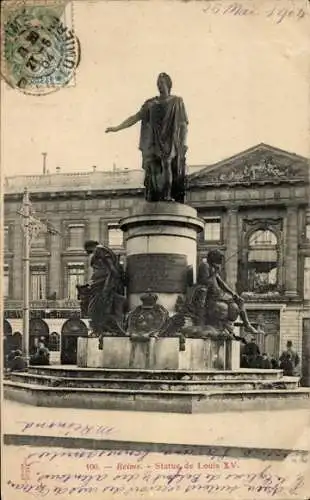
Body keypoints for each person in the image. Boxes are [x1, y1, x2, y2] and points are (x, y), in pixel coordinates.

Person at [106, 73, 188, 203]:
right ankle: (154, 196)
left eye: (162, 82)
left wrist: (183, 143)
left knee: (167, 164)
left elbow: (183, 123)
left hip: (170, 139)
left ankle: (167, 195)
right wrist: (117, 128)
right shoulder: (150, 103)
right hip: (153, 141)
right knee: (153, 170)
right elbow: (135, 117)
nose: (159, 85)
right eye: (158, 83)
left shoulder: (177, 101)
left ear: (168, 84)